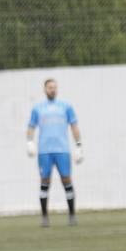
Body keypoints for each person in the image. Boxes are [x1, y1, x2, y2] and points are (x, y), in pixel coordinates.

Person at [26, 78, 82, 227]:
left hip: (62, 150)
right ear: (45, 90)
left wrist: (78, 145)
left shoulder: (65, 106)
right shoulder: (38, 108)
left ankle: (72, 215)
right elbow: (31, 127)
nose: (52, 90)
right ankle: (44, 217)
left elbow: (74, 125)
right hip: (45, 151)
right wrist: (29, 141)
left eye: (54, 87)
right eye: (50, 87)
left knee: (67, 180)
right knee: (45, 182)